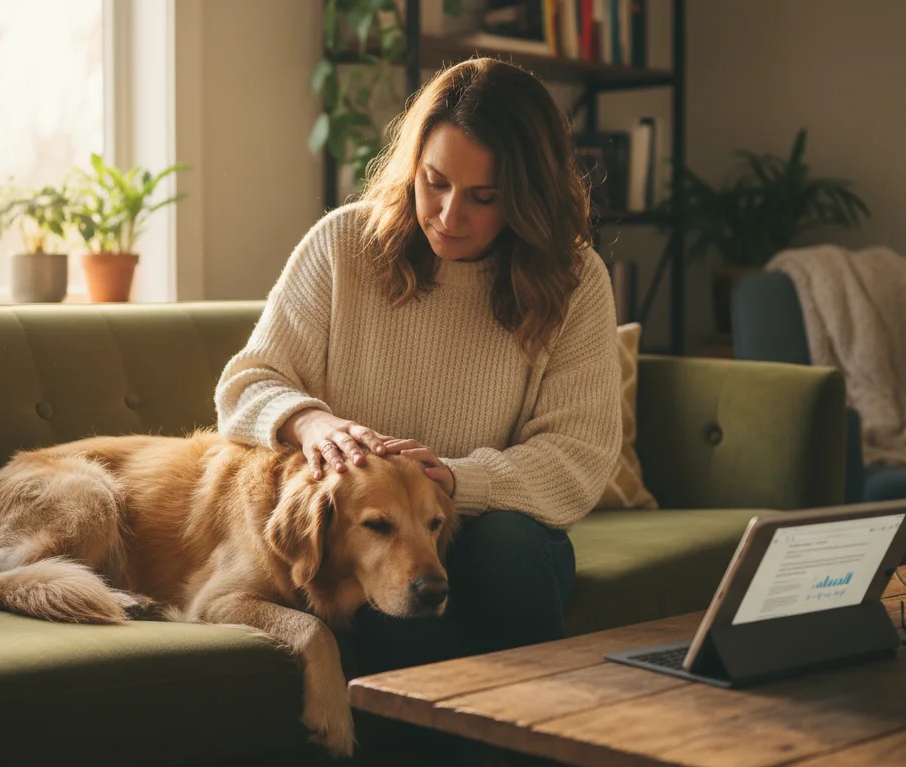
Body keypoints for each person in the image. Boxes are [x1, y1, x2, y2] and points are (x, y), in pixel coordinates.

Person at [214, 57, 621, 679]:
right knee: (390, 577)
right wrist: (311, 423)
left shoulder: (575, 279)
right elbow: (246, 385)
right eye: (435, 182)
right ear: (413, 168)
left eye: (485, 198)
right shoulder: (343, 245)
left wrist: (457, 481)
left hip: (495, 532)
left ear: (529, 198)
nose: (450, 216)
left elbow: (579, 456)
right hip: (368, 530)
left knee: (503, 549)